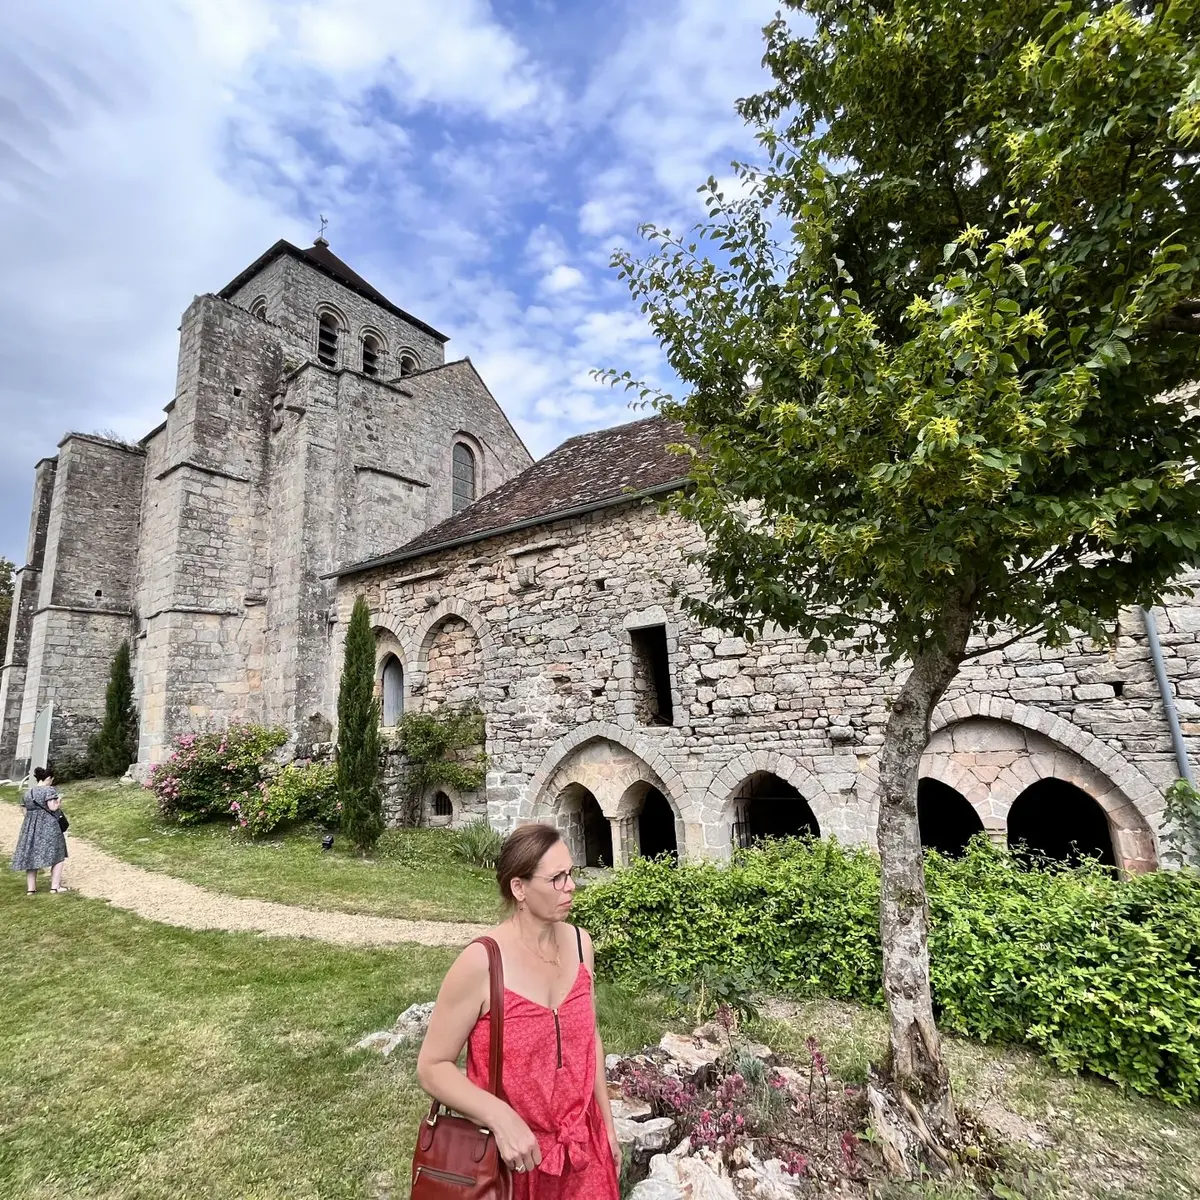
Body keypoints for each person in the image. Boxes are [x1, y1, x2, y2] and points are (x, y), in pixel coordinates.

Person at [417, 823, 620, 1199]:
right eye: (556, 878)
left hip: (584, 1153)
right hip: (514, 1164)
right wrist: (500, 1117)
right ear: (519, 888)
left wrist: (607, 1127)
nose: (571, 886)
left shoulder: (580, 944)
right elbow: (432, 1067)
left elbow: (589, 1038)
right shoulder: (482, 963)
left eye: (571, 874)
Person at [10, 767, 68, 895]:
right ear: (48, 778)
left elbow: (24, 811)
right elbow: (52, 807)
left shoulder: (28, 793)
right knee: (58, 855)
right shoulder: (49, 790)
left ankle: (31, 889)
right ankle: (55, 887)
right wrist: (59, 802)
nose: (52, 782)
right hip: (49, 826)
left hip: (30, 827)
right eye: (51, 779)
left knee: (32, 856)